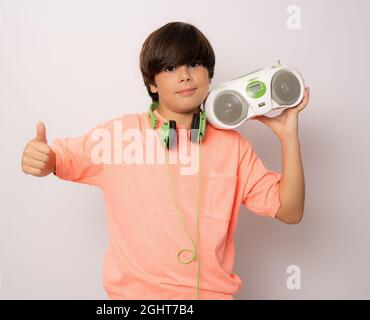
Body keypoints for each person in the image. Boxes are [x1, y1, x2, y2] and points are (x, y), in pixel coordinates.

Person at [21, 21, 310, 300]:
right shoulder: (119, 135)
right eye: (170, 68)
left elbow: (290, 211)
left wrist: (288, 136)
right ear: (152, 83)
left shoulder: (233, 146)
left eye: (194, 64)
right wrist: (43, 159)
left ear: (209, 76)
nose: (185, 75)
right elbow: (58, 158)